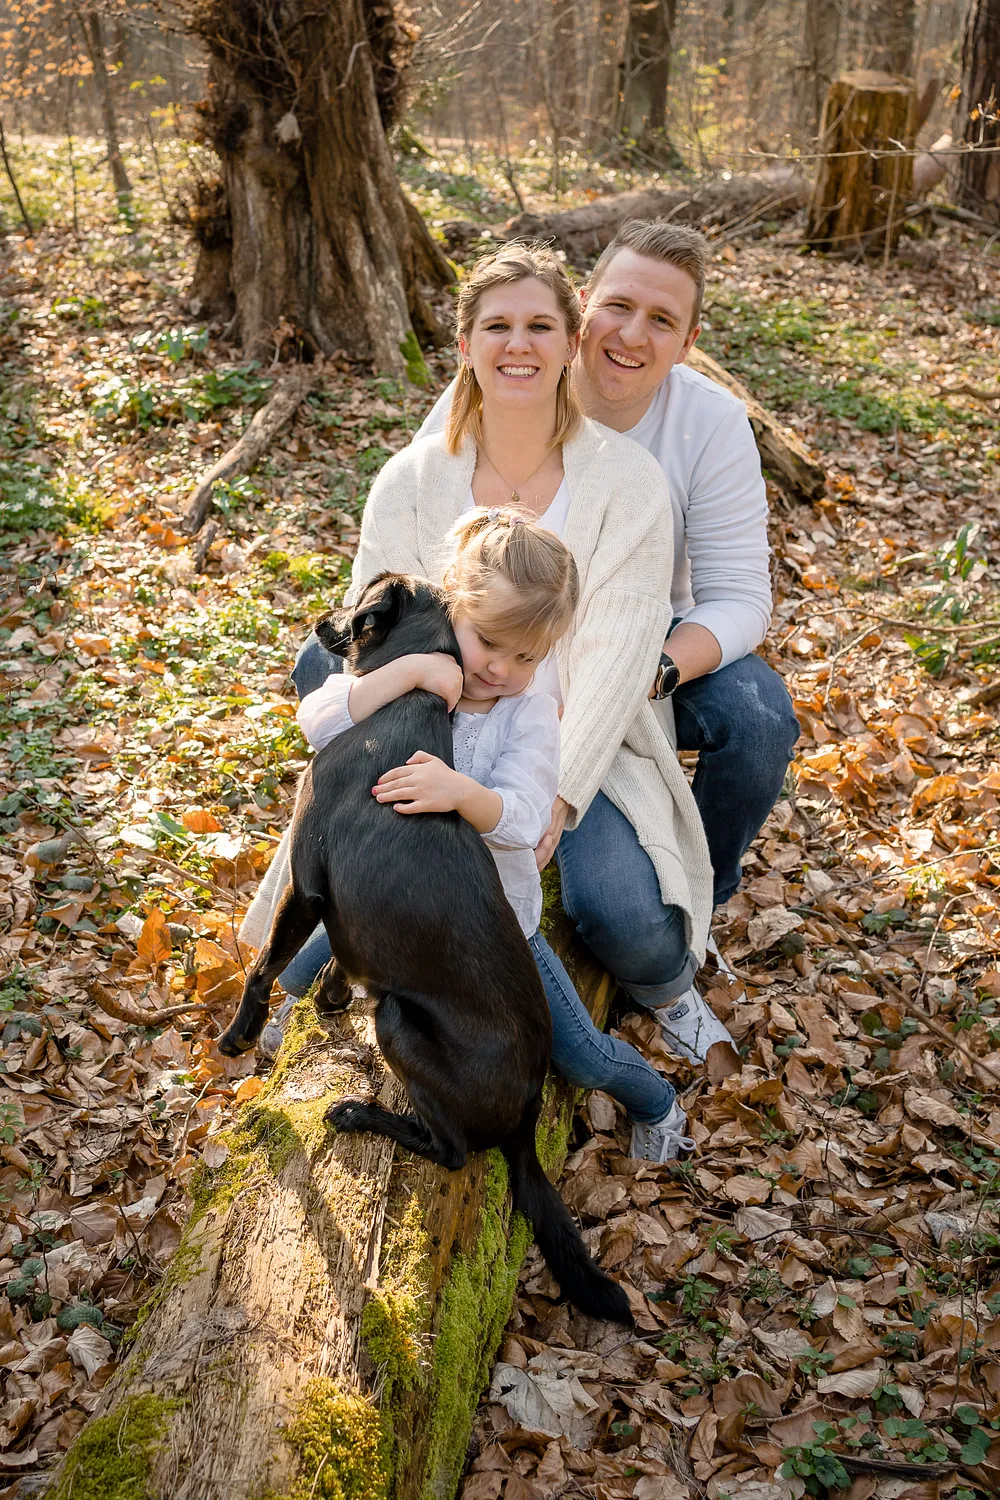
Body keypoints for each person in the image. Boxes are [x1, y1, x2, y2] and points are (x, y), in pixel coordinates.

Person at [282, 241, 726, 1082]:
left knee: (621, 911)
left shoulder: (628, 483)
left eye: (539, 326)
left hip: (577, 739)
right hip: (441, 734)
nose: (518, 345)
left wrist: (559, 794)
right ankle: (318, 989)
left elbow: (621, 651)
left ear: (570, 342)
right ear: (465, 345)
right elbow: (381, 637)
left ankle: (669, 994)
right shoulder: (412, 479)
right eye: (497, 326)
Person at [413, 220, 801, 1066]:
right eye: (618, 306)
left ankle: (698, 887)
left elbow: (741, 597)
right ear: (584, 308)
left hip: (652, 635)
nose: (632, 334)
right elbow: (419, 541)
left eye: (662, 320)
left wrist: (652, 671)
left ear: (689, 342)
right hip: (504, 640)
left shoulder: (709, 426)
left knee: (762, 715)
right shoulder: (507, 383)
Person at [278, 508, 693, 1162]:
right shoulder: (413, 660)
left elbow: (527, 816)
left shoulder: (528, 715)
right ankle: (290, 1045)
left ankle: (655, 1100)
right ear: (451, 607)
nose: (500, 668)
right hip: (398, 908)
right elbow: (318, 718)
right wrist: (409, 675)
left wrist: (461, 794)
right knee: (296, 966)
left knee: (576, 1052)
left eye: (526, 655)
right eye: (488, 641)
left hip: (492, 930)